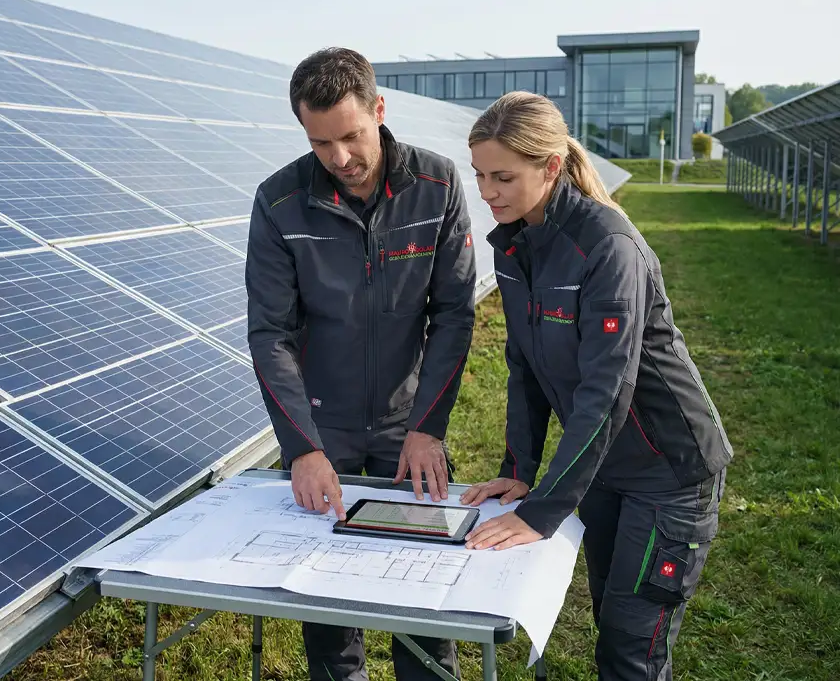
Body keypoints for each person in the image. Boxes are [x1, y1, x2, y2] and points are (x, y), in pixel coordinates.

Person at [458, 91, 733, 681]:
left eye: (503, 176)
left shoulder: (607, 247)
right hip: (606, 470)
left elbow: (606, 393)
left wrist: (542, 511)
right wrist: (520, 469)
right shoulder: (513, 247)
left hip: (670, 476)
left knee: (630, 652)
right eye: (480, 175)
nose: (487, 192)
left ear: (550, 167)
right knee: (611, 617)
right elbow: (525, 367)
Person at [245, 47, 477, 681]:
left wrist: (427, 426)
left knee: (420, 595)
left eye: (350, 136)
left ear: (379, 109)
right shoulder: (279, 203)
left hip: (409, 425)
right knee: (326, 598)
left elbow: (455, 314)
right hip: (326, 428)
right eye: (321, 143)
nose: (339, 158)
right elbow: (270, 334)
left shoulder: (437, 185)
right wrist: (301, 447)